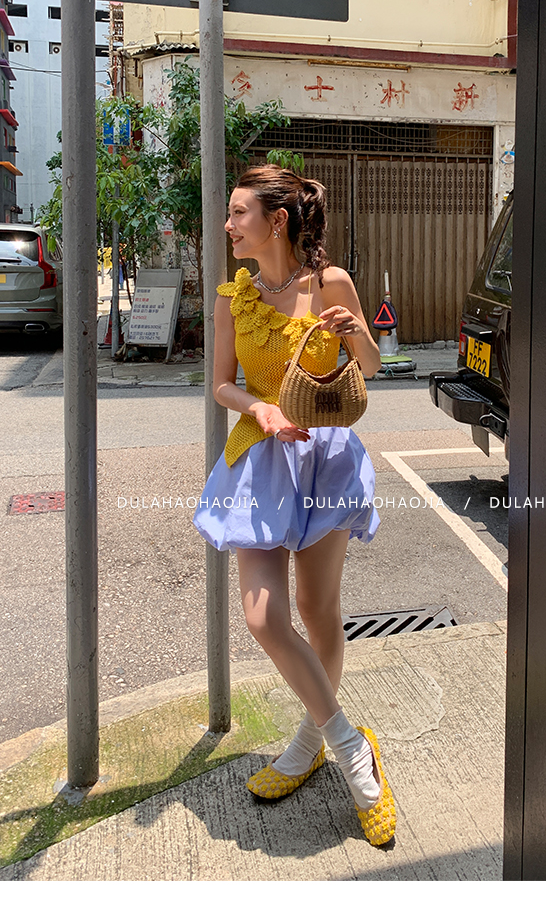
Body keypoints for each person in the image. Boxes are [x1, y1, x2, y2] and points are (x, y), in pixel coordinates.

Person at [192, 165, 396, 846]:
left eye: (239, 213)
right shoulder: (234, 297)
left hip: (326, 459)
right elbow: (220, 385)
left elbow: (370, 366)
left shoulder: (330, 283)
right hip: (260, 459)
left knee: (316, 609)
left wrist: (354, 330)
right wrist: (261, 409)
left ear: (276, 221)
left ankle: (308, 742)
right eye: (230, 213)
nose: (229, 225)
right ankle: (352, 749)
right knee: (263, 615)